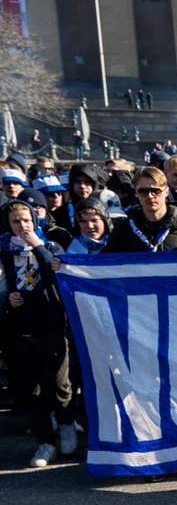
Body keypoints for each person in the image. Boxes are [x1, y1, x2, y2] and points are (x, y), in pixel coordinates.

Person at [2, 199, 74, 467]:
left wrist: (37, 245)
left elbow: (57, 274)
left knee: (59, 382)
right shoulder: (5, 251)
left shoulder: (50, 245)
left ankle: (66, 423)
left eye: (26, 221)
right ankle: (45, 441)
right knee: (32, 388)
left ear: (35, 221)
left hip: (52, 322)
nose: (22, 226)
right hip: (21, 326)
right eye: (16, 222)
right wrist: (9, 298)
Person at [103, 167, 177, 255]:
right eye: (143, 191)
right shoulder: (126, 226)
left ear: (166, 192)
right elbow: (106, 262)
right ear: (136, 193)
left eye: (155, 191)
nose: (150, 196)